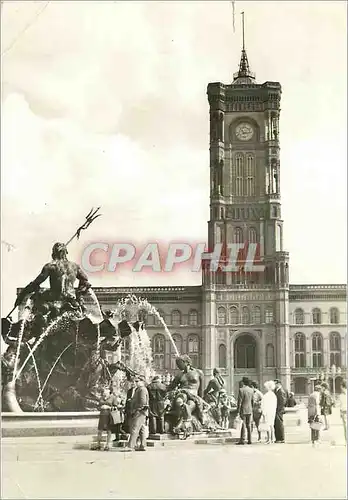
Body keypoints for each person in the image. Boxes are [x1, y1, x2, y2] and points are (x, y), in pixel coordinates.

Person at [124, 377, 149, 452]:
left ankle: (130, 446)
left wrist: (137, 409)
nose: (135, 383)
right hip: (141, 412)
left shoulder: (142, 389)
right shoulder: (140, 389)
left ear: (142, 381)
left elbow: (142, 402)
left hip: (139, 412)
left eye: (137, 381)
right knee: (141, 429)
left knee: (134, 428)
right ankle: (142, 445)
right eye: (135, 381)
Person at [95, 386, 118, 451]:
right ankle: (98, 445)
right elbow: (98, 406)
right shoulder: (101, 398)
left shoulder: (113, 398)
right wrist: (101, 407)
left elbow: (116, 407)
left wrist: (109, 407)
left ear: (109, 391)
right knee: (100, 430)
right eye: (104, 390)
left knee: (109, 430)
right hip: (102, 415)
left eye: (106, 390)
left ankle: (107, 445)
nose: (104, 392)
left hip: (109, 415)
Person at [236, 377, 254, 445]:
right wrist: (251, 408)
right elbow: (252, 401)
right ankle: (250, 440)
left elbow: (239, 402)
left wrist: (238, 410)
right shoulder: (251, 390)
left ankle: (242, 440)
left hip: (243, 409)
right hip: (249, 409)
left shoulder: (241, 390)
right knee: (248, 425)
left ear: (243, 382)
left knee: (243, 424)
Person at [274, 379, 286, 443]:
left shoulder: (281, 391)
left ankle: (281, 438)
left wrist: (278, 410)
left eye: (275, 384)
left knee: (280, 424)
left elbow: (282, 401)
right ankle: (278, 438)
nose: (274, 385)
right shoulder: (277, 390)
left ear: (279, 384)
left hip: (279, 410)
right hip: (277, 410)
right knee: (277, 424)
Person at [338, 380, 347, 445]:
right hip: (344, 412)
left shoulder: (341, 395)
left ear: (342, 386)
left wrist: (340, 413)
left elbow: (340, 405)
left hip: (344, 412)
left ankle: (346, 442)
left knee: (345, 427)